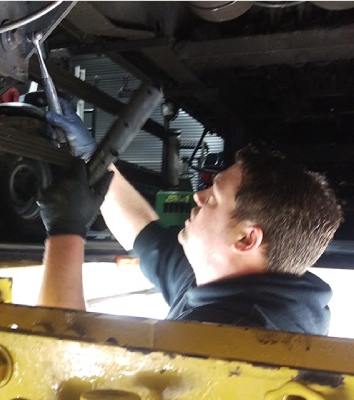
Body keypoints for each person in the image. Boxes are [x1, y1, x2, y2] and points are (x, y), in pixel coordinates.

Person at [37, 100, 342, 335]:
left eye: (215, 195)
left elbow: (59, 371)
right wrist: (92, 156)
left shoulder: (236, 339)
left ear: (247, 239)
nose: (199, 195)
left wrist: (65, 232)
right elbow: (142, 233)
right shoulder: (230, 285)